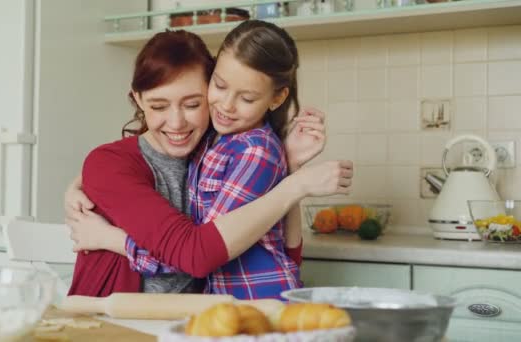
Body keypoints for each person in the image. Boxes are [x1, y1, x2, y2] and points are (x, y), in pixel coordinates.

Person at [66, 27, 353, 298]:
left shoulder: (228, 148)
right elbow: (199, 253)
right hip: (117, 322)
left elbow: (276, 256)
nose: (177, 122)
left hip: (207, 319)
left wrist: (291, 174)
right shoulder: (124, 161)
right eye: (158, 105)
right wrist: (84, 180)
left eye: (192, 104)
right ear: (138, 99)